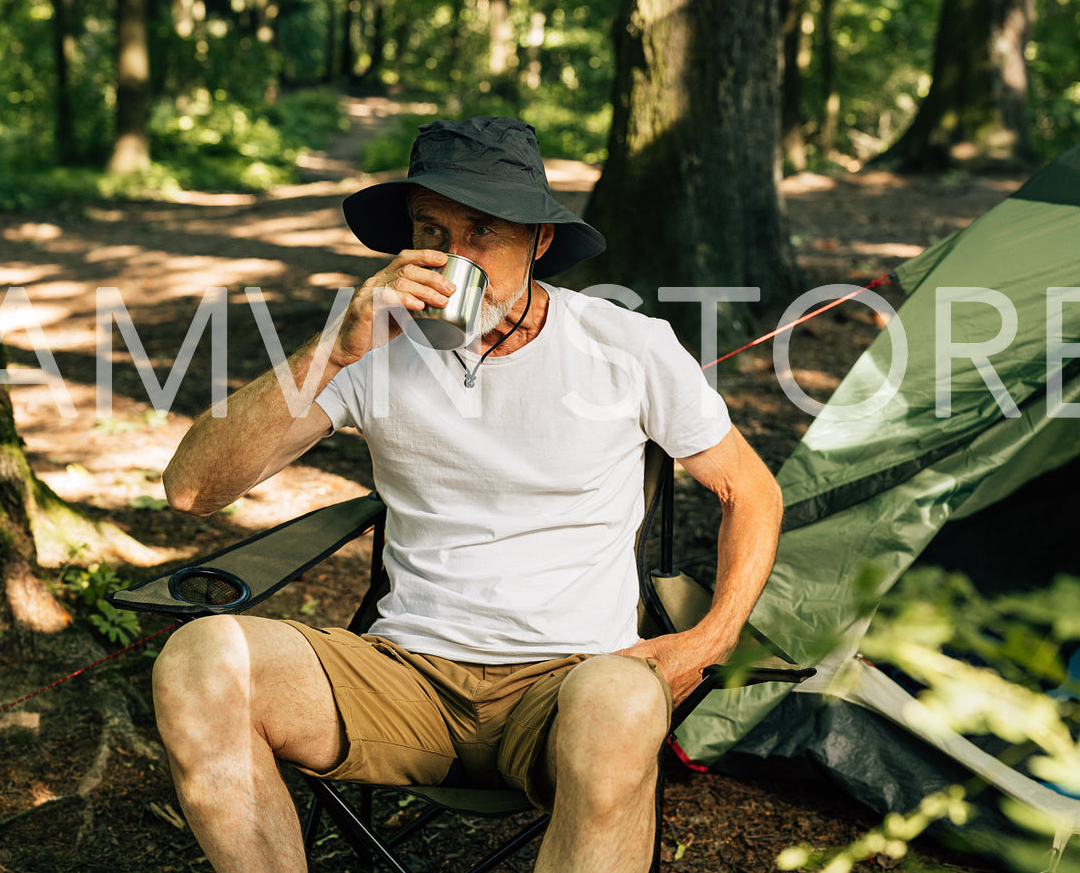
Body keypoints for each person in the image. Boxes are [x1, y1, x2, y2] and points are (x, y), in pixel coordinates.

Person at [153, 116, 782, 873]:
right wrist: (335, 349)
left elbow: (751, 492)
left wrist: (702, 644)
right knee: (199, 660)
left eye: (482, 231)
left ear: (539, 242)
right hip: (404, 675)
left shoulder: (626, 347)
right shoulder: (366, 348)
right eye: (431, 230)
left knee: (622, 702)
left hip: (571, 682)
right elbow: (191, 488)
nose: (452, 257)